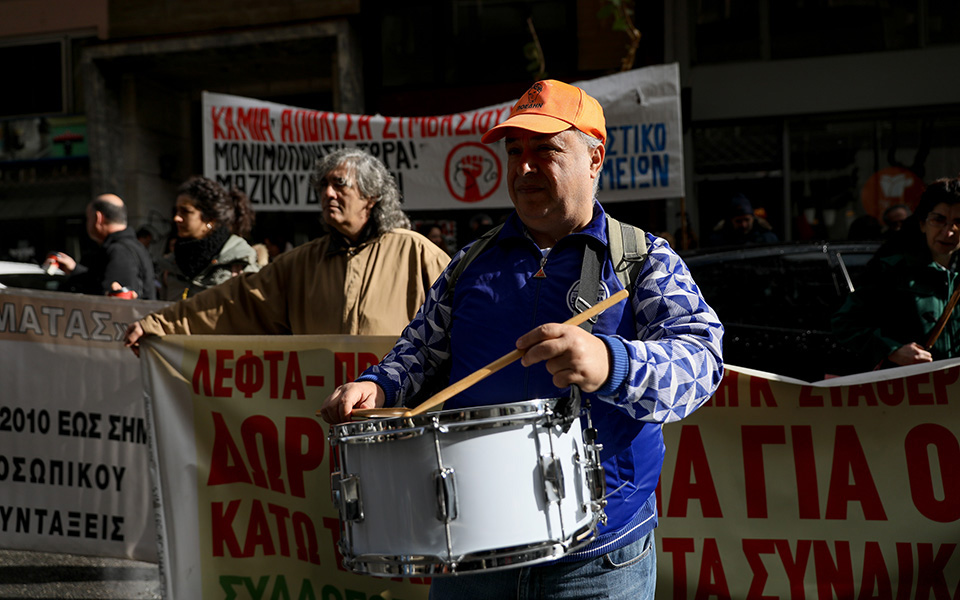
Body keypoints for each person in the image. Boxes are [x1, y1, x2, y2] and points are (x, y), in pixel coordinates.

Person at [320, 80, 724, 599]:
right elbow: (418, 350)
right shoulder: (469, 262)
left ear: (595, 156)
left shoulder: (643, 259)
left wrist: (611, 362)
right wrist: (378, 387)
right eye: (515, 151)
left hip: (598, 561)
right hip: (471, 552)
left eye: (546, 149)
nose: (524, 166)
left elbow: (701, 361)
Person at [123, 148, 451, 353]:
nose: (327, 193)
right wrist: (159, 325)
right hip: (324, 422)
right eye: (323, 185)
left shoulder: (416, 252)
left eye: (339, 184)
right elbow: (233, 302)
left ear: (371, 197)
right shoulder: (300, 263)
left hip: (398, 420)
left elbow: (461, 320)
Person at [833, 177, 960, 371]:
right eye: (938, 220)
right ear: (923, 224)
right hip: (914, 394)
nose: (949, 232)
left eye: (958, 222)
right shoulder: (891, 272)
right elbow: (845, 324)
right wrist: (893, 350)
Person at [155, 176, 260, 301]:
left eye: (185, 211)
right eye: (176, 211)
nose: (177, 218)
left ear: (210, 219)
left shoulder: (239, 263)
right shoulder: (170, 266)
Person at [47, 193, 157, 299]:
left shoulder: (119, 251)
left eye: (88, 218)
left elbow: (107, 301)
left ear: (98, 218)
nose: (87, 223)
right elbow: (99, 283)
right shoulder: (132, 246)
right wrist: (75, 269)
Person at [706, 193, 779, 247]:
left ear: (753, 219)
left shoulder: (768, 239)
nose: (743, 225)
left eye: (747, 220)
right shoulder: (718, 242)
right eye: (738, 221)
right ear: (731, 221)